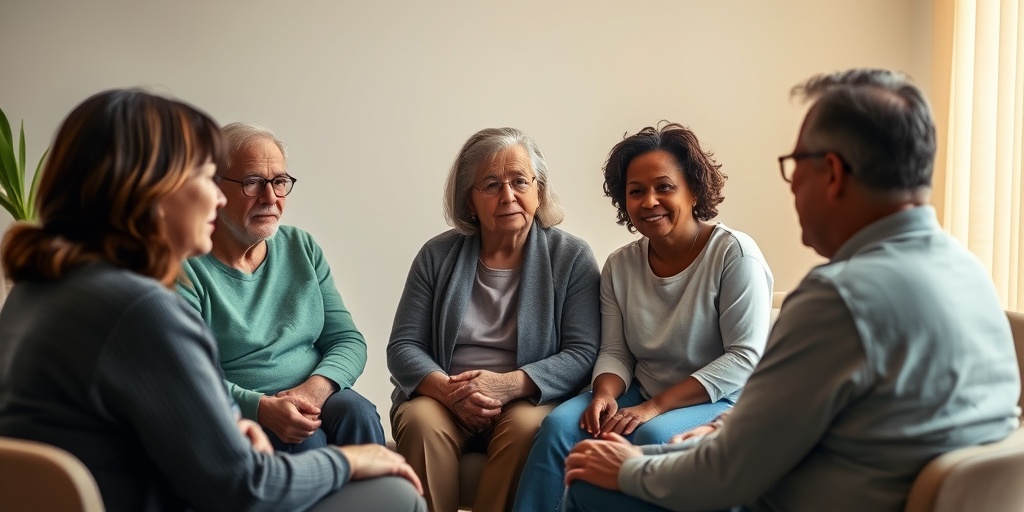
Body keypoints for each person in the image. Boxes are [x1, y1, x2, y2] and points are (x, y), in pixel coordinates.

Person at [561, 69, 1021, 512]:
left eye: (795, 163)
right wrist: (723, 428)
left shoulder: (839, 299)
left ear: (833, 172)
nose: (794, 182)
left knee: (590, 482)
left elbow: (726, 476)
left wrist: (628, 469)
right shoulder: (971, 273)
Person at [0, 89, 424, 512]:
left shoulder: (36, 290)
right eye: (206, 176)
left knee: (354, 416)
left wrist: (226, 433)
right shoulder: (138, 309)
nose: (219, 197)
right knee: (398, 495)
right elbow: (246, 489)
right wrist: (352, 459)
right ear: (152, 189)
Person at [514, 122, 774, 512]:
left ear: (693, 190)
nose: (649, 201)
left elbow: (743, 358)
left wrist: (655, 407)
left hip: (722, 400)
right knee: (560, 427)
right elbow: (616, 351)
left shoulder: (734, 254)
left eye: (664, 187)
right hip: (640, 392)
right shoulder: (620, 265)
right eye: (636, 192)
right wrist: (603, 394)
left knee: (649, 434)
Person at [387, 127, 601, 512]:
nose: (508, 195)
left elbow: (583, 352)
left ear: (539, 190)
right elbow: (403, 347)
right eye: (491, 184)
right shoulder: (437, 256)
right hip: (445, 394)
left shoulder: (571, 257)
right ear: (469, 201)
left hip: (525, 397)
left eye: (520, 181)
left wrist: (507, 385)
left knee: (526, 429)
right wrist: (452, 392)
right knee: (419, 421)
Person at [177, 122, 385, 452]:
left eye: (279, 182)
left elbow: (348, 340)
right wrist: (260, 407)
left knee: (357, 413)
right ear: (215, 187)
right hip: (243, 411)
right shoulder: (185, 268)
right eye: (253, 183)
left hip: (315, 394)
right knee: (307, 440)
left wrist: (316, 388)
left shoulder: (301, 247)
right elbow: (190, 375)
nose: (270, 197)